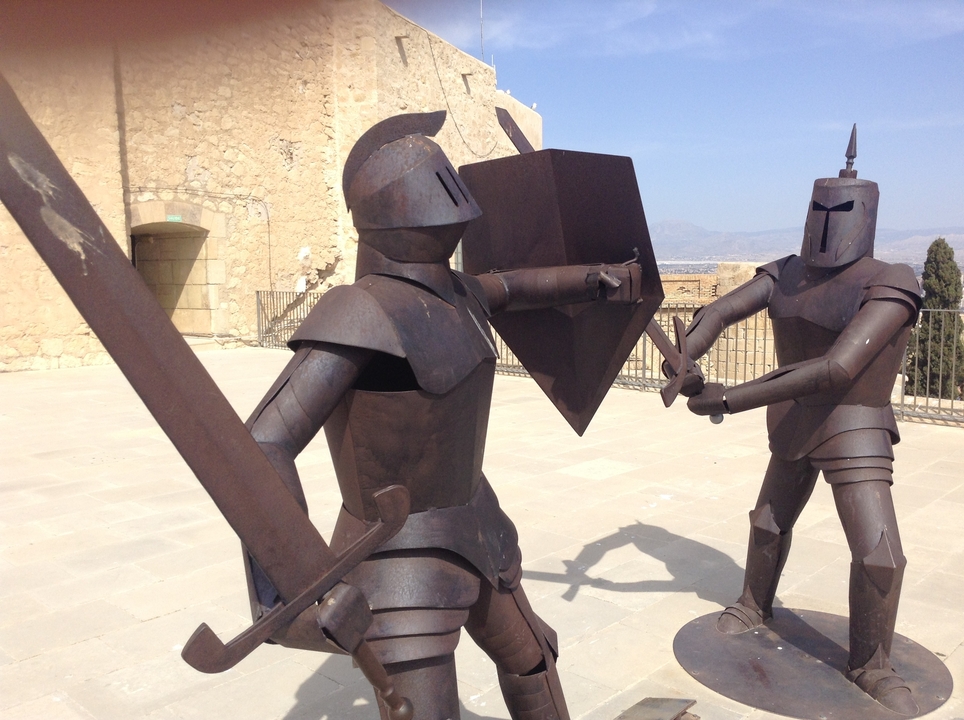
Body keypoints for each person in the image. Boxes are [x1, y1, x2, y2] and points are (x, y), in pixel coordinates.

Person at [241, 111, 644, 720]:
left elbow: (517, 286)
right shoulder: (358, 313)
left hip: (477, 523)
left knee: (534, 659)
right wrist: (292, 593)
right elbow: (265, 442)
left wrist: (593, 280)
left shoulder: (457, 293)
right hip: (393, 554)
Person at [680, 127, 922, 715]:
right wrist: (689, 351)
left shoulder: (890, 281)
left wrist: (731, 398)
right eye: (819, 206)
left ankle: (871, 662)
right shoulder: (786, 271)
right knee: (768, 522)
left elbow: (837, 369)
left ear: (864, 214)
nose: (826, 218)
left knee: (878, 553)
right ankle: (753, 603)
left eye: (839, 209)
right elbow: (719, 308)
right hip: (792, 418)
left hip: (854, 423)